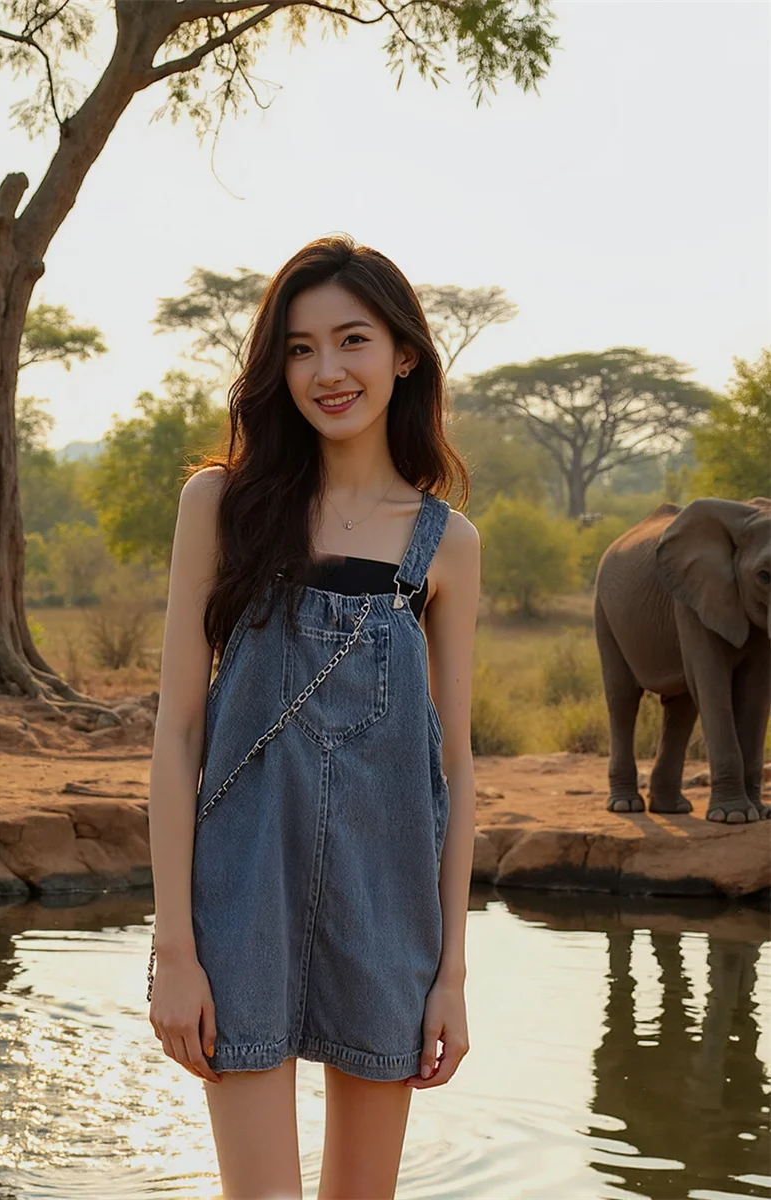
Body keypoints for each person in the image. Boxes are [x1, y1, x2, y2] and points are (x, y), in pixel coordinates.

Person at [147, 233, 480, 1198]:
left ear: (403, 353)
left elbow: (454, 773)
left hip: (390, 910)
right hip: (238, 902)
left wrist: (451, 974)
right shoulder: (220, 506)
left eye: (352, 340)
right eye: (298, 348)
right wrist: (176, 948)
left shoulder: (445, 545)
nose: (326, 371)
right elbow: (175, 738)